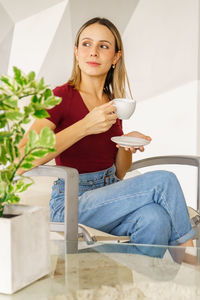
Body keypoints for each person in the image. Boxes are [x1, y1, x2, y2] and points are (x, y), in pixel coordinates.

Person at [19, 17, 195, 258]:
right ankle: (190, 263)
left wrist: (125, 146)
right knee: (164, 180)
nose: (93, 52)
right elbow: (21, 159)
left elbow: (120, 173)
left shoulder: (113, 104)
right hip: (72, 201)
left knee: (157, 219)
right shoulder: (58, 97)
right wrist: (85, 125)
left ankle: (135, 288)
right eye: (86, 44)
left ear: (115, 57)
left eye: (103, 46)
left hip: (110, 193)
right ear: (76, 53)